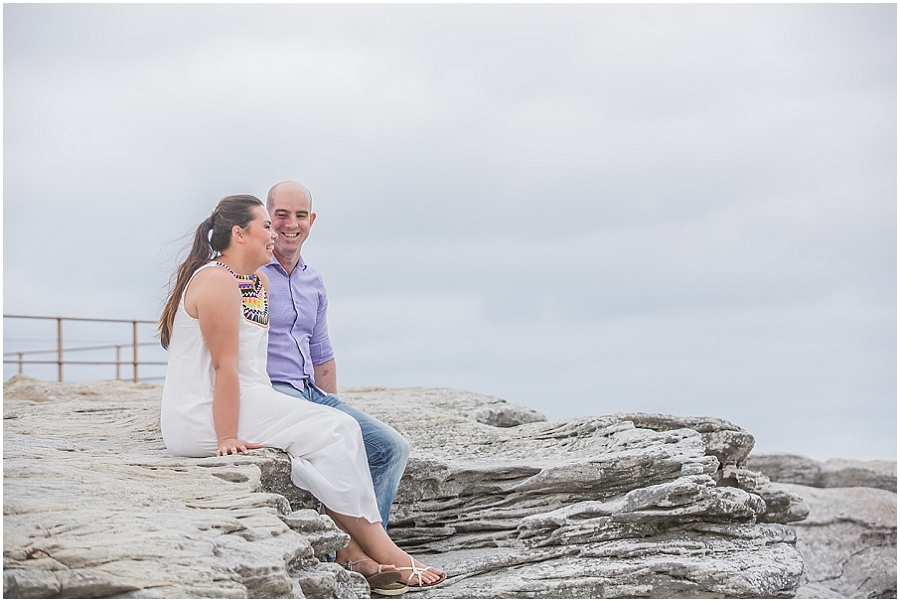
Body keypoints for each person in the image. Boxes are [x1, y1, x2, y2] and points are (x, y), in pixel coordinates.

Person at [158, 195, 444, 593]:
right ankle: (382, 549)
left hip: (248, 395)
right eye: (266, 225)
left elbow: (257, 367)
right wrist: (225, 438)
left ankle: (356, 548)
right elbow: (224, 367)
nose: (274, 234)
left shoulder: (255, 282)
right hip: (202, 413)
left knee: (341, 426)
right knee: (333, 431)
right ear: (239, 234)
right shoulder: (216, 280)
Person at [262, 181, 410, 532]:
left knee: (392, 448)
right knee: (335, 446)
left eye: (300, 215)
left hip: (311, 393)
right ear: (267, 219)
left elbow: (322, 356)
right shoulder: (251, 274)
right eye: (281, 215)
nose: (290, 224)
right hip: (272, 392)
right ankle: (354, 555)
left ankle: (358, 550)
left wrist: (335, 410)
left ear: (311, 220)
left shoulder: (314, 281)